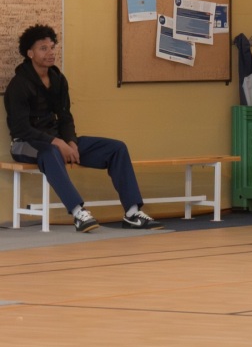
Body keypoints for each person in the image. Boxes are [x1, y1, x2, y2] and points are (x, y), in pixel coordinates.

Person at [6, 25, 154, 231]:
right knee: (50, 152)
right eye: (43, 48)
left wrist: (71, 142)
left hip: (57, 141)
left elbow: (65, 117)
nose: (50, 52)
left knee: (116, 148)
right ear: (30, 53)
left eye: (52, 47)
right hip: (25, 144)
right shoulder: (18, 85)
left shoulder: (58, 80)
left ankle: (132, 213)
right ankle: (78, 212)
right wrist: (57, 143)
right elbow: (20, 128)